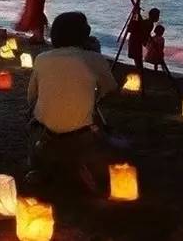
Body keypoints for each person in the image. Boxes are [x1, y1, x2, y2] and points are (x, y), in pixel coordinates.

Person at [26, 12, 118, 190]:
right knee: (97, 121)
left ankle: (38, 165)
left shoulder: (41, 59)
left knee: (32, 120)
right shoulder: (94, 59)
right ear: (85, 34)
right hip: (82, 134)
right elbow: (110, 89)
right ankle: (80, 165)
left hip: (45, 132)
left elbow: (31, 96)